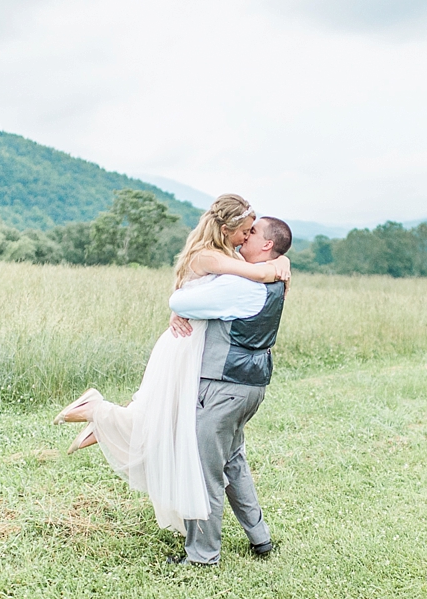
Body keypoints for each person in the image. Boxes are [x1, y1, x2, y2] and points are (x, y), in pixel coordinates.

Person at [52, 194, 290, 536]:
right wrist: (278, 266)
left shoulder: (221, 253)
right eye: (244, 231)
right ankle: (98, 413)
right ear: (227, 229)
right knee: (164, 422)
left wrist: (281, 261)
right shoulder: (214, 257)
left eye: (252, 233)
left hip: (195, 348)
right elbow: (252, 272)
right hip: (185, 347)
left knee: (166, 422)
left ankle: (99, 417)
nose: (245, 238)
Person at [166, 215, 292, 566]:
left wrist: (177, 306)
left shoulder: (240, 286)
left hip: (222, 386)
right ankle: (260, 537)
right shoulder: (274, 281)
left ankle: (203, 555)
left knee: (203, 469)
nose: (243, 238)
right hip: (251, 386)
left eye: (251, 233)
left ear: (266, 245)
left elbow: (181, 303)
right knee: (233, 462)